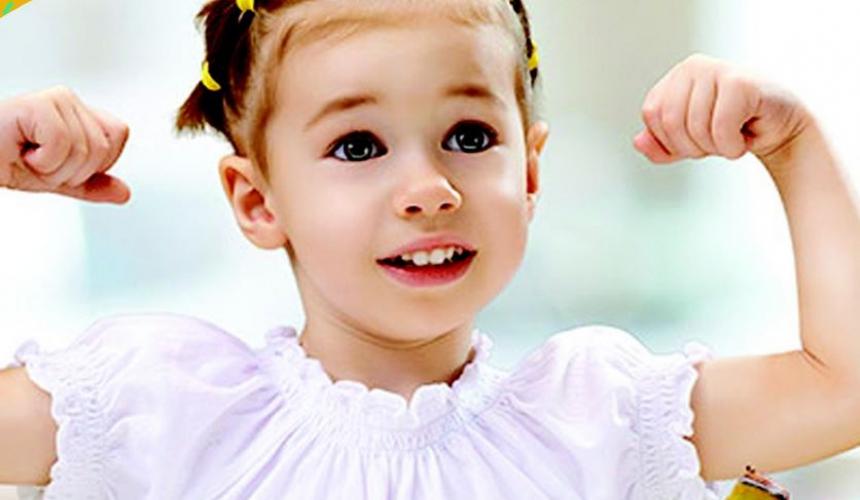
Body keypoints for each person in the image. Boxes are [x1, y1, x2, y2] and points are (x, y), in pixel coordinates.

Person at [2, 0, 859, 498]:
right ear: (258, 201)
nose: (429, 189)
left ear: (530, 173)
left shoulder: (600, 418)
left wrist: (793, 144)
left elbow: (844, 389)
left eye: (469, 135)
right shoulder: (159, 407)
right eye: (359, 146)